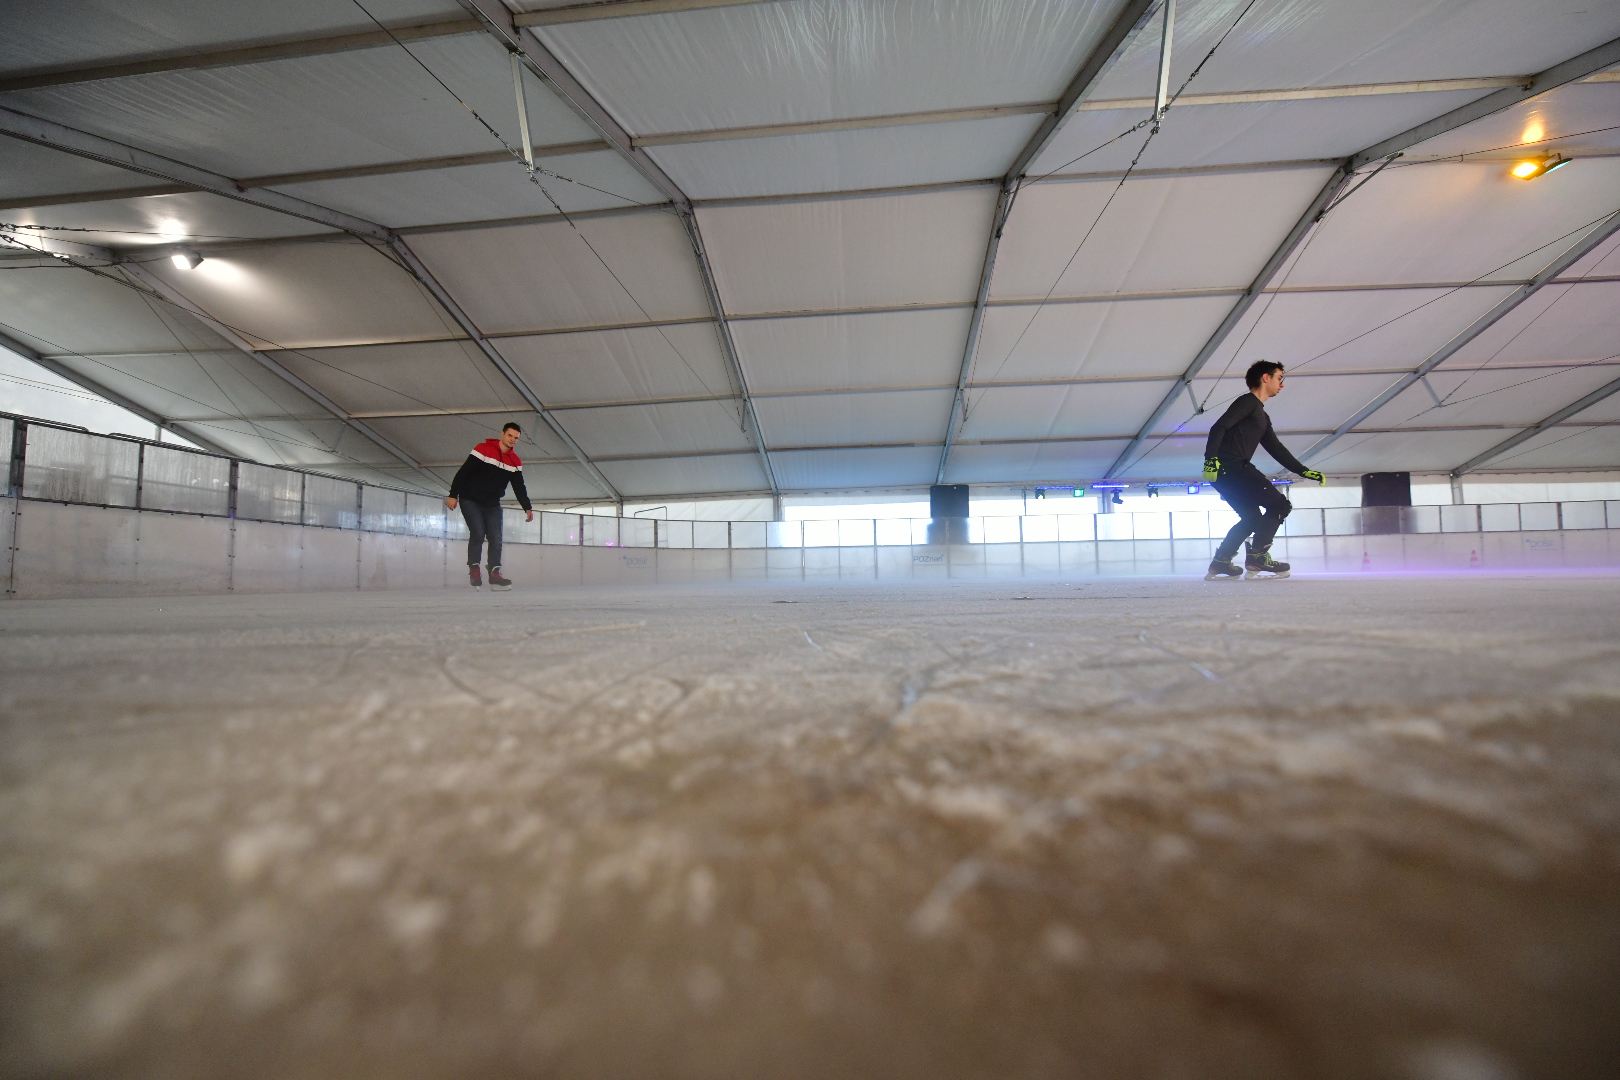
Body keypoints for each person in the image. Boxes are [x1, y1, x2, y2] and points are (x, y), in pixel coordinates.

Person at [1201, 361, 1324, 580]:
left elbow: (1275, 447)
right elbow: (1218, 427)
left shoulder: (1261, 416)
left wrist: (1303, 471)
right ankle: (1257, 557)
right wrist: (1210, 459)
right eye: (1280, 378)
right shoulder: (1247, 402)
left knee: (1250, 517)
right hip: (1231, 467)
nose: (1282, 385)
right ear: (1266, 377)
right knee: (1280, 505)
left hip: (1225, 473)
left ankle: (1221, 562)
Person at [446, 422, 533, 590]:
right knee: (478, 533)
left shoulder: (514, 461)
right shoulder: (483, 449)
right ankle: (474, 569)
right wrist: (452, 494)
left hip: (492, 503)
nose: (513, 440)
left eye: (516, 438)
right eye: (510, 436)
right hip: (470, 499)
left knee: (496, 537)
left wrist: (527, 507)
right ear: (502, 434)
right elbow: (464, 472)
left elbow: (519, 486)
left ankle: (494, 573)